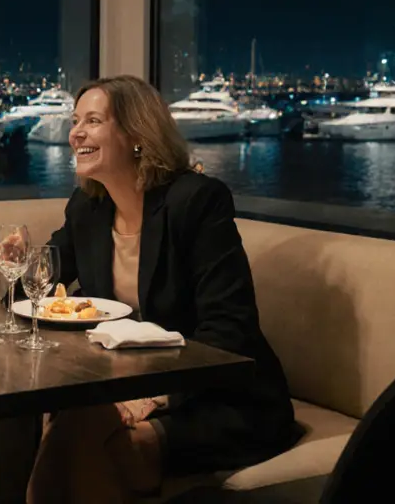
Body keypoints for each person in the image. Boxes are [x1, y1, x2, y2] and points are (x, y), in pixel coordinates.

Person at [23, 75, 299, 503]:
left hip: (221, 397)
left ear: (136, 135)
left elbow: (230, 329)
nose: (76, 132)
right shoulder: (88, 209)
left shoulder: (197, 202)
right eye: (76, 120)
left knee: (99, 442)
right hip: (124, 388)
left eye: (93, 120)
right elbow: (40, 286)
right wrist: (13, 265)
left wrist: (154, 397)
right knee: (79, 417)